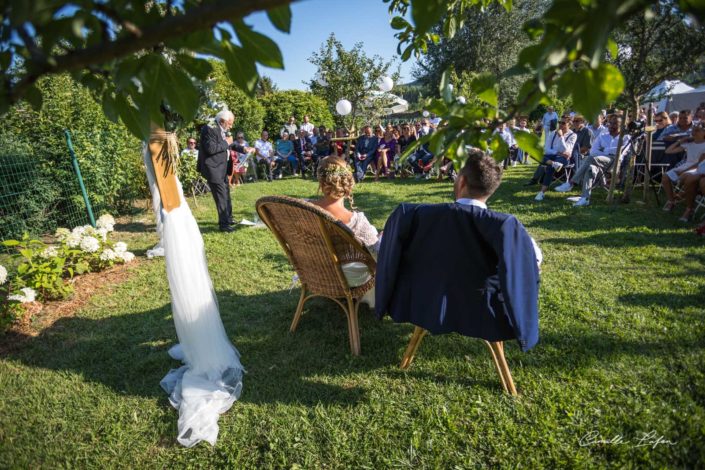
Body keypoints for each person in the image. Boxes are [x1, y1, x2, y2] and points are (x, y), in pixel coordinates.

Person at [375, 151, 541, 351]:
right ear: (492, 189)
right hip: (482, 311)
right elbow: (530, 262)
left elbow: (386, 247)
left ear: (461, 181)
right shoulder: (503, 226)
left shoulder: (414, 215)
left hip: (424, 301)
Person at [310, 156, 380, 306]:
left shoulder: (303, 209)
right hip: (347, 277)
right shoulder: (357, 222)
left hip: (313, 271)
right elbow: (379, 254)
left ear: (321, 183)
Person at [555, 115, 631, 206]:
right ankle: (585, 198)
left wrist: (604, 150)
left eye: (615, 123)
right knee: (590, 168)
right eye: (610, 123)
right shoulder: (603, 136)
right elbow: (593, 151)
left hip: (615, 163)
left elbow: (620, 152)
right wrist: (607, 152)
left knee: (590, 159)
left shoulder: (626, 138)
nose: (611, 125)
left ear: (622, 126)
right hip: (599, 160)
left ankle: (571, 183)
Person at [198, 110, 237, 232]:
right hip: (213, 168)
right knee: (221, 197)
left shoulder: (221, 129)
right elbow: (211, 148)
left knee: (226, 194)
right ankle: (224, 225)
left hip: (223, 167)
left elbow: (228, 144)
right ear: (222, 121)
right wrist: (227, 142)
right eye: (230, 123)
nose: (231, 126)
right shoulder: (209, 129)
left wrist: (243, 149)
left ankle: (229, 219)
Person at [661, 123, 705, 221]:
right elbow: (668, 151)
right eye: (694, 130)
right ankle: (672, 201)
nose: (694, 132)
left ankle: (686, 205)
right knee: (665, 177)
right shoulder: (689, 144)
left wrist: (684, 171)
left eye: (697, 130)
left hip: (697, 168)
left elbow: (699, 164)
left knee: (687, 178)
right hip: (686, 166)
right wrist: (680, 141)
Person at [531, 117, 577, 201]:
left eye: (563, 123)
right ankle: (553, 163)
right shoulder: (552, 133)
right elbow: (546, 149)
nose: (560, 125)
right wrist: (557, 153)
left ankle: (541, 193)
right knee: (534, 154)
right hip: (554, 157)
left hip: (563, 159)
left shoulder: (573, 135)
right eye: (559, 122)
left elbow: (566, 150)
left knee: (549, 167)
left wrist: (561, 136)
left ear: (569, 125)